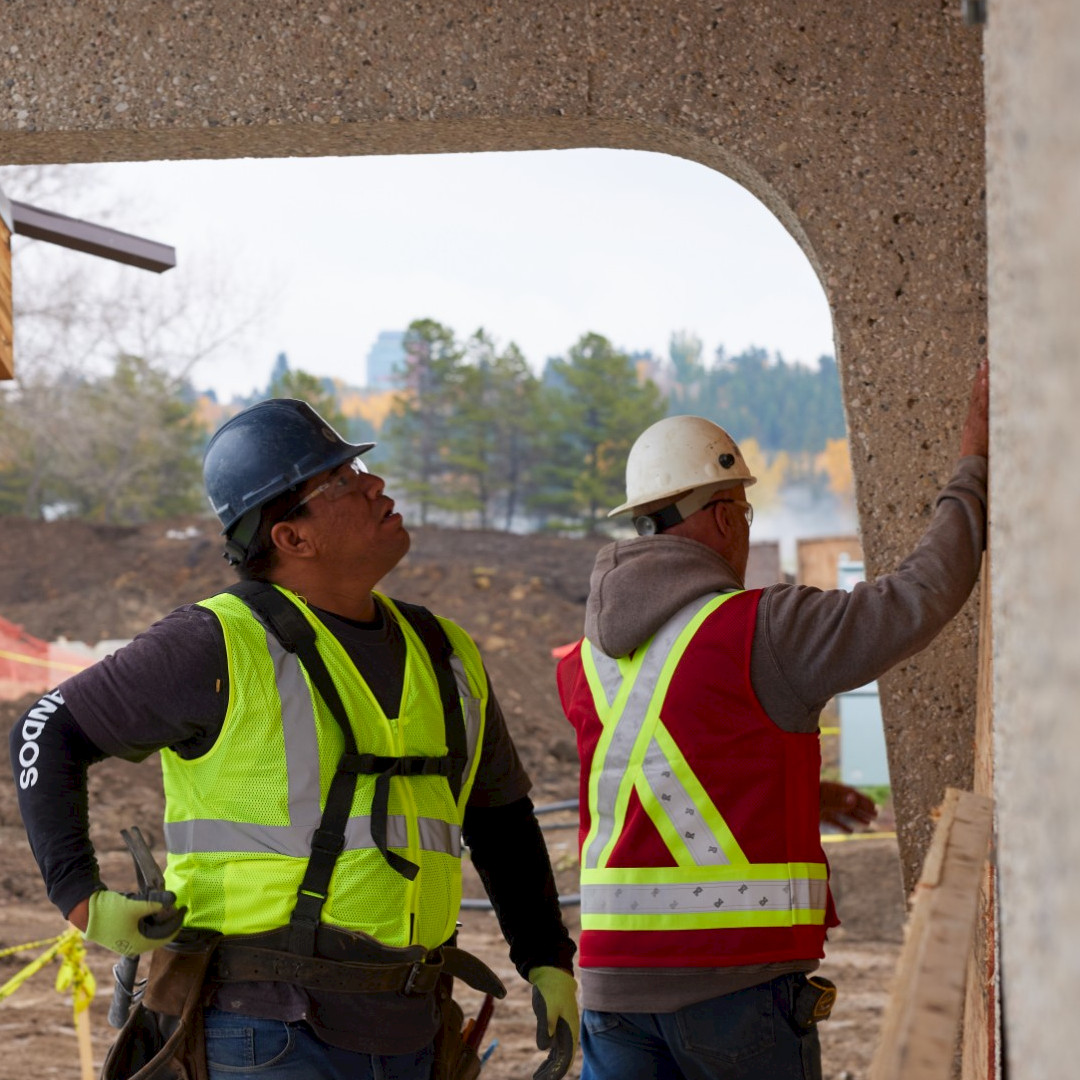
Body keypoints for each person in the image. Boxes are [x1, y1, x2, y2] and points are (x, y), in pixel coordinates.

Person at [11, 398, 579, 1080]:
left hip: (415, 1025)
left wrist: (546, 958)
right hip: (260, 1028)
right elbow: (46, 729)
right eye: (343, 479)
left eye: (361, 466)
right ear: (291, 537)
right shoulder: (215, 642)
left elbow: (499, 816)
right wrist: (82, 896)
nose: (376, 484)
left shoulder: (445, 651)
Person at [556, 362, 989, 1080]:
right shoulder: (764, 629)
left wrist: (800, 796)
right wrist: (975, 462)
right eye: (746, 515)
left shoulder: (585, 658)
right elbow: (918, 598)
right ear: (727, 516)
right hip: (734, 990)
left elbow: (656, 773)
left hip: (610, 989)